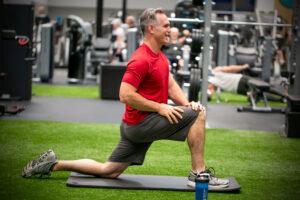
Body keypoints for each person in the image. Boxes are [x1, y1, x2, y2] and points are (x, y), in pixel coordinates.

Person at [22, 8, 229, 189]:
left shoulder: (160, 57)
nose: (169, 29)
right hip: (142, 124)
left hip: (135, 125)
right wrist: (160, 107)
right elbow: (125, 95)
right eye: (166, 26)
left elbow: (170, 84)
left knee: (109, 170)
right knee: (198, 114)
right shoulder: (141, 59)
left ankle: (54, 164)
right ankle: (198, 174)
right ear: (151, 29)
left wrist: (186, 103)